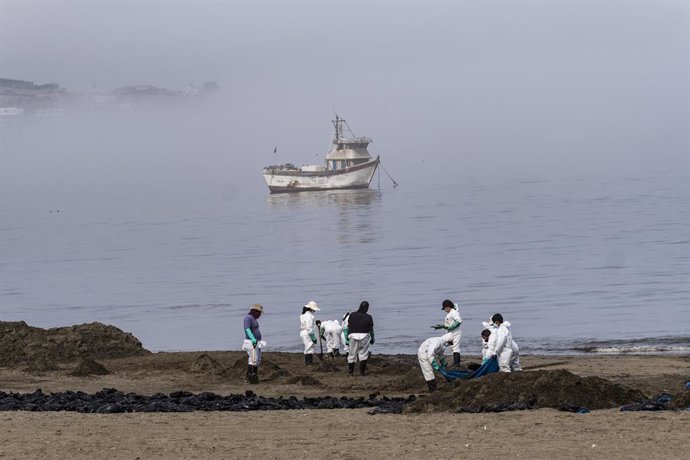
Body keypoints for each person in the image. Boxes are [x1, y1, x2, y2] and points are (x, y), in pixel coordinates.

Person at [345, 301, 374, 376]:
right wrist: (373, 338)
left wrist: (347, 337)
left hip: (353, 336)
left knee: (352, 354)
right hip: (364, 336)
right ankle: (362, 373)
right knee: (363, 354)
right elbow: (371, 329)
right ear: (366, 308)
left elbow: (349, 327)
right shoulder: (369, 317)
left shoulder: (352, 315)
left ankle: (351, 373)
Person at [242, 304, 264, 384]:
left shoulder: (253, 319)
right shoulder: (248, 318)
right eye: (259, 313)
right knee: (253, 360)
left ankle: (253, 376)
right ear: (255, 311)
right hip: (251, 342)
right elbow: (247, 329)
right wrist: (253, 339)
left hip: (255, 342)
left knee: (256, 360)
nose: (260, 315)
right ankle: (249, 377)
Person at [435, 299, 462, 365]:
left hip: (455, 333)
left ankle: (456, 364)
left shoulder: (453, 312)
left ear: (448, 307)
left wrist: (451, 327)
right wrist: (442, 326)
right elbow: (449, 324)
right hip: (451, 333)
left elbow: (459, 321)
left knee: (455, 347)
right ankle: (447, 361)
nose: (444, 310)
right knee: (450, 346)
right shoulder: (450, 313)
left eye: (444, 308)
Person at [299, 300, 320, 365]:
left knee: (308, 347)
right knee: (309, 347)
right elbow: (309, 327)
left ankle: (309, 362)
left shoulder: (304, 315)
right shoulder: (309, 316)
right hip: (307, 333)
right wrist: (312, 336)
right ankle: (309, 363)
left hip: (304, 332)